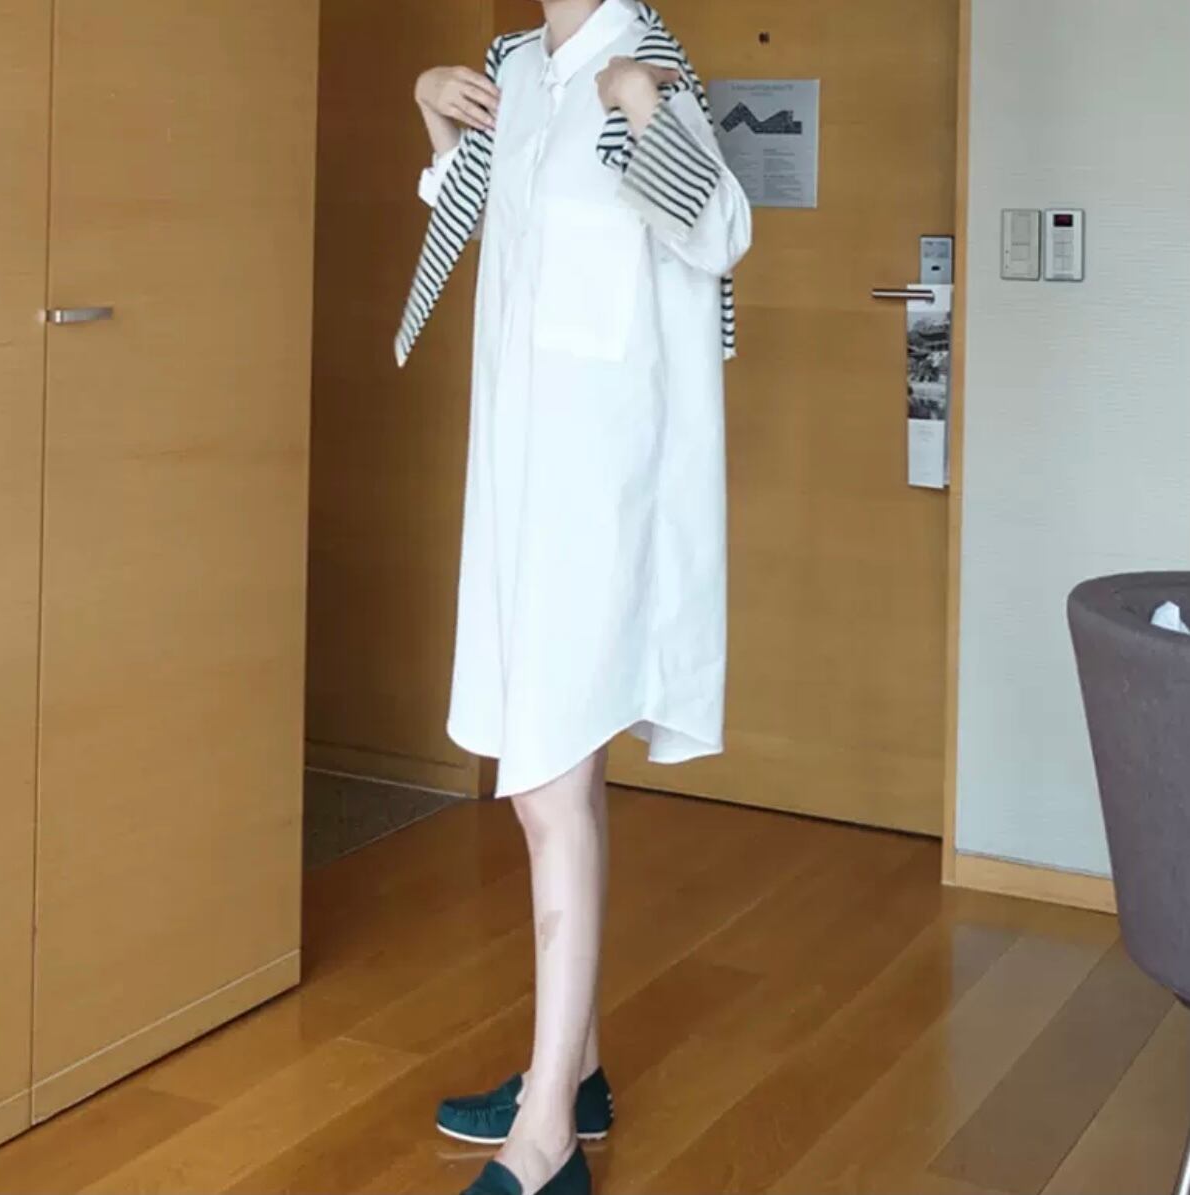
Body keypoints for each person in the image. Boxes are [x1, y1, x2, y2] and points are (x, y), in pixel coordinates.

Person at [400, 2, 751, 1191]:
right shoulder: (516, 70)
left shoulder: (645, 65)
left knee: (546, 784)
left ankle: (546, 1132)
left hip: (604, 490)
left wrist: (645, 108)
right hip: (517, 478)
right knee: (562, 773)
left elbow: (719, 232)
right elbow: (482, 223)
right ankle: (579, 1068)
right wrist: (434, 114)